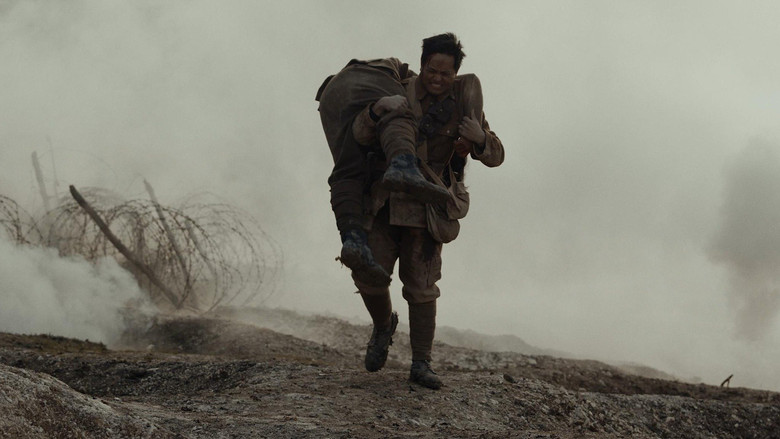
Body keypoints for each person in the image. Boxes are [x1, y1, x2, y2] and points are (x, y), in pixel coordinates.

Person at [351, 33, 505, 389]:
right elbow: (359, 133)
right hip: (386, 201)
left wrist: (479, 138)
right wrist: (377, 111)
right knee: (369, 275)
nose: (437, 78)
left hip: (427, 210)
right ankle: (383, 326)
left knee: (421, 288)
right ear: (422, 66)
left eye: (446, 73)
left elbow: (497, 156)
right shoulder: (398, 91)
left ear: (455, 74)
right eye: (432, 70)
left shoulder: (464, 105)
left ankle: (421, 363)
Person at [316, 58, 450, 288]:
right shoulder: (397, 75)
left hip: (329, 97)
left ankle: (352, 240)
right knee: (400, 110)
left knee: (347, 171)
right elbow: (415, 91)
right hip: (361, 80)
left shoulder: (345, 85)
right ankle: (403, 166)